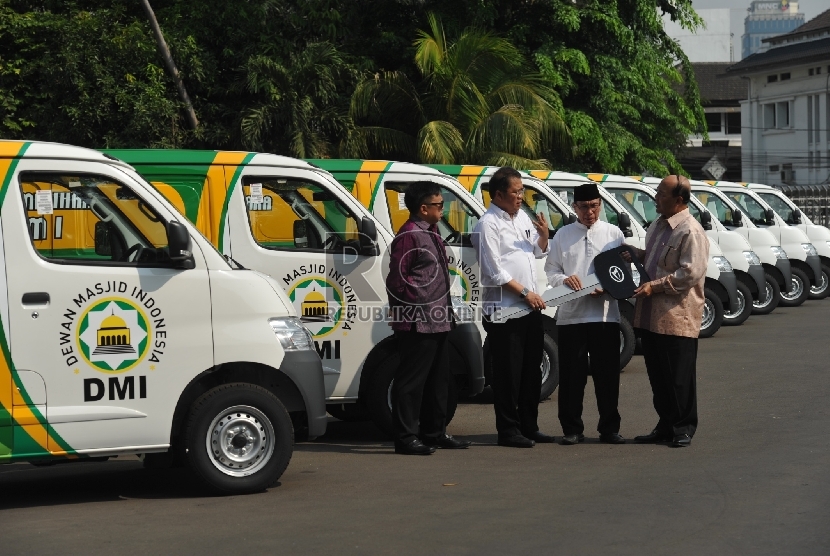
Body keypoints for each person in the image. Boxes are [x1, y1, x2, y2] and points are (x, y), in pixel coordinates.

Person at [386, 181, 472, 455]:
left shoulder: (433, 232)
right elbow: (396, 281)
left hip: (439, 318)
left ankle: (434, 432)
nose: (442, 210)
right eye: (438, 205)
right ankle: (406, 438)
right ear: (423, 209)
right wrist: (411, 309)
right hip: (417, 321)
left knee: (439, 380)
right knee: (411, 382)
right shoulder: (409, 235)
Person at [471, 167, 553, 448]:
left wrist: (543, 235)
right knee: (509, 373)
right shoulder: (487, 224)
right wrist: (526, 293)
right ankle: (508, 430)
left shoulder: (522, 218)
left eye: (522, 191)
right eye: (516, 192)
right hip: (505, 311)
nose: (521, 197)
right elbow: (493, 272)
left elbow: (537, 251)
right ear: (498, 194)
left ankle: (529, 426)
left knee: (531, 371)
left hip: (530, 308)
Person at [627, 175, 709, 448]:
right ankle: (665, 426)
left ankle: (683, 427)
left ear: (680, 200)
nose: (656, 198)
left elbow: (689, 273)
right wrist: (637, 254)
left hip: (677, 316)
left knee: (679, 378)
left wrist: (655, 287)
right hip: (651, 315)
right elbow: (656, 260)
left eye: (662, 194)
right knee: (659, 377)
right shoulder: (658, 226)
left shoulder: (690, 231)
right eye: (657, 192)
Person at [545, 183, 626, 446]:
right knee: (571, 377)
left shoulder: (614, 234)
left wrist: (609, 288)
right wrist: (565, 280)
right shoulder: (563, 236)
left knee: (607, 375)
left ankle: (609, 429)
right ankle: (571, 428)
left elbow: (621, 273)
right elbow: (551, 271)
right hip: (571, 317)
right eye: (583, 207)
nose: (589, 212)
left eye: (594, 206)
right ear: (574, 207)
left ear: (600, 205)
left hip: (605, 317)